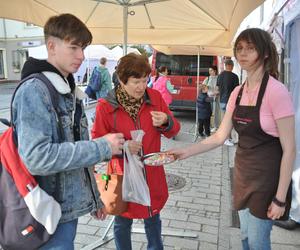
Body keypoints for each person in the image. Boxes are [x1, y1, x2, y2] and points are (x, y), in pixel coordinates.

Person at [170, 28, 295, 250]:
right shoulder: (238, 91)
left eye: (250, 48)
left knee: (258, 242)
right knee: (245, 237)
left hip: (267, 181)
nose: (243, 53)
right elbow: (220, 136)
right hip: (242, 175)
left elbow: (290, 150)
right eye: (239, 48)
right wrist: (185, 152)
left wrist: (280, 198)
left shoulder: (277, 92)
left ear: (265, 53)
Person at [14, 13, 125, 249]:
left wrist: (94, 198)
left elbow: (75, 144)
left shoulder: (66, 88)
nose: (81, 56)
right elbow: (37, 158)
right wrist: (102, 146)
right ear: (51, 46)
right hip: (44, 213)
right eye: (74, 47)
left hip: (65, 211)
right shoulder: (35, 90)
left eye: (83, 48)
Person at [91, 53, 180, 250]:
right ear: (122, 81)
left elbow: (175, 129)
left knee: (153, 218)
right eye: (135, 81)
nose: (141, 87)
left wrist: (166, 122)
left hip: (151, 173)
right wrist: (123, 147)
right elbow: (97, 144)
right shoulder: (106, 106)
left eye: (145, 80)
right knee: (122, 221)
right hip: (122, 176)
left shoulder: (155, 97)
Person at [217, 59, 239, 146]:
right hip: (230, 101)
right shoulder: (235, 76)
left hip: (222, 100)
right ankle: (226, 139)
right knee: (229, 121)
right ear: (231, 66)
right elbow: (237, 91)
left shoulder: (220, 75)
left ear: (226, 66)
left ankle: (226, 138)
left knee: (224, 120)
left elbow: (218, 89)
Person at [203, 65, 220, 132]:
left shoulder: (218, 78)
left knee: (215, 112)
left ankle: (216, 126)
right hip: (208, 98)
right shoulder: (208, 78)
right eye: (209, 70)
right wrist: (205, 88)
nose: (209, 72)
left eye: (211, 70)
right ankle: (208, 126)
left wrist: (216, 92)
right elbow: (203, 87)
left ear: (215, 71)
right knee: (208, 112)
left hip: (216, 98)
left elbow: (220, 88)